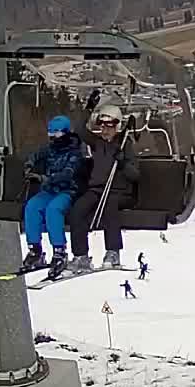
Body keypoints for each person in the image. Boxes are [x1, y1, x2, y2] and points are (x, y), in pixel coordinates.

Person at [70, 93, 139, 272]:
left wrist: (123, 163)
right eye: (102, 126)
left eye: (110, 126)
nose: (105, 130)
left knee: (110, 207)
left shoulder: (125, 145)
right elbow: (79, 128)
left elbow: (135, 175)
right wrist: (89, 108)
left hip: (118, 192)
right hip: (96, 190)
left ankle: (113, 252)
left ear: (117, 126)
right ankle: (81, 255)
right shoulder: (97, 143)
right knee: (78, 210)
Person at [21, 115, 83, 272]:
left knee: (53, 210)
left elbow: (68, 173)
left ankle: (59, 251)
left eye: (56, 133)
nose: (53, 137)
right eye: (50, 133)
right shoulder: (50, 149)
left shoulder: (74, 152)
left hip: (67, 190)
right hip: (49, 190)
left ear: (65, 133)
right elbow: (36, 155)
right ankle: (35, 249)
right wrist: (29, 165)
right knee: (32, 207)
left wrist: (44, 178)